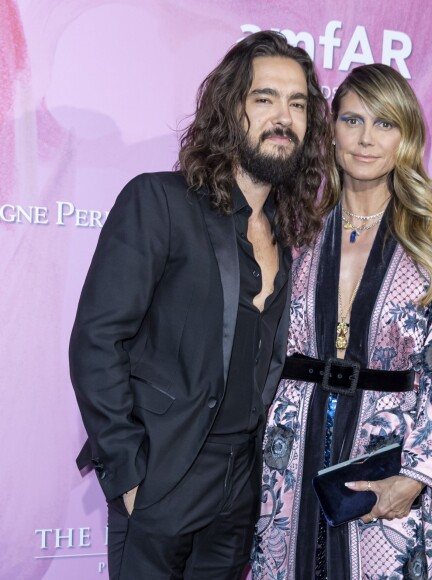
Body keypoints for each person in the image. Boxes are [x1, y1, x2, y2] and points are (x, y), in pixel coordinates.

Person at [69, 31, 333, 579]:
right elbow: (96, 340)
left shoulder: (288, 233)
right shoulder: (159, 202)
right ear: (231, 109)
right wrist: (130, 473)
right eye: (265, 99)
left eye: (298, 104)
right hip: (162, 474)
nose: (283, 116)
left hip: (239, 488)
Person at [252, 63, 432, 579]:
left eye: (384, 124)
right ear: (330, 132)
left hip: (386, 462)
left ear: (406, 138)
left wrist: (417, 477)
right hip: (290, 456)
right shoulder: (297, 224)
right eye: (352, 120)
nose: (365, 139)